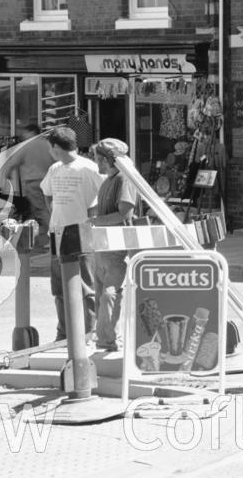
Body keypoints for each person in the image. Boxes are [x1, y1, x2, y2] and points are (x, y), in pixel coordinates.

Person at [40, 127, 100, 345]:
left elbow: (102, 198)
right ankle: (64, 332)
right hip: (58, 231)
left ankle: (89, 331)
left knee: (86, 285)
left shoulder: (89, 168)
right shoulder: (55, 168)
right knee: (59, 287)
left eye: (50, 147)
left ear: (56, 147)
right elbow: (47, 193)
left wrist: (91, 220)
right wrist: (55, 215)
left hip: (82, 232)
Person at [87, 139, 147, 354]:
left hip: (117, 245)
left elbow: (125, 213)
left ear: (105, 159)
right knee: (101, 292)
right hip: (103, 243)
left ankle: (109, 340)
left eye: (97, 159)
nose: (96, 164)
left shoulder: (124, 179)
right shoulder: (109, 180)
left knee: (110, 293)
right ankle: (104, 338)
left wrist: (95, 221)